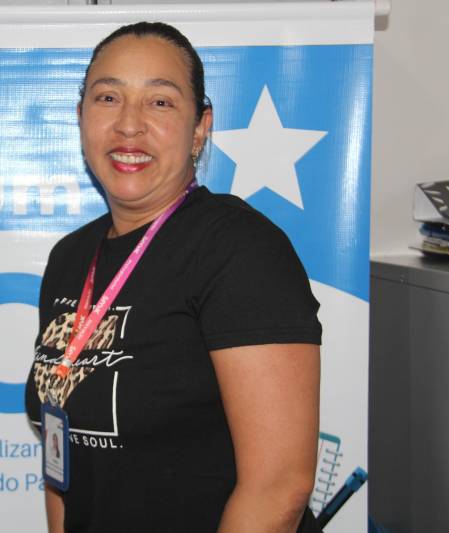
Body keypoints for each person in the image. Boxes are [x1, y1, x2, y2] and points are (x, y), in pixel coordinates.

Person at [25, 21, 322, 533]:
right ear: (80, 117)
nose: (129, 125)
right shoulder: (70, 258)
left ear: (200, 127)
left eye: (160, 102)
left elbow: (280, 486)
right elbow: (62, 464)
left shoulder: (238, 250)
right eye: (107, 98)